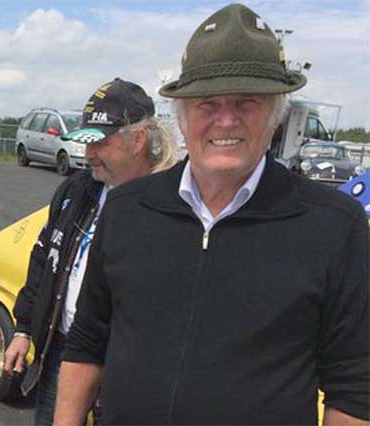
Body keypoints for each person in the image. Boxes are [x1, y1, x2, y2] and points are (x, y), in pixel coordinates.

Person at [54, 4, 369, 425]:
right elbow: (88, 342)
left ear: (274, 115)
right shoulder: (128, 209)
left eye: (247, 102)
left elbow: (353, 385)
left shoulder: (334, 224)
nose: (226, 120)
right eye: (207, 104)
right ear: (183, 117)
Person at [2, 78, 177, 425]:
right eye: (86, 142)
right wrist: (23, 329)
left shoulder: (171, 207)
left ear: (138, 140)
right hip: (62, 354)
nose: (88, 153)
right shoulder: (76, 191)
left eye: (99, 142)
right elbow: (44, 259)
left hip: (126, 370)